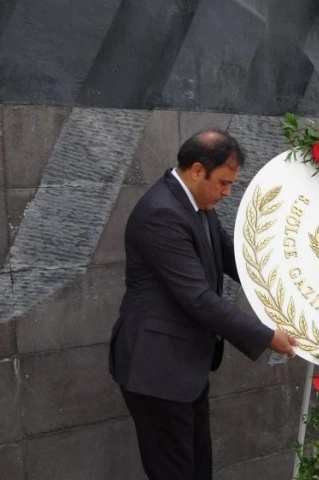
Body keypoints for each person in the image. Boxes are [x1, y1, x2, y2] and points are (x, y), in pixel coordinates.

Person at [109, 129, 297, 480]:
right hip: (157, 371)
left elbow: (234, 259)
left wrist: (285, 290)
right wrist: (266, 335)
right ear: (197, 170)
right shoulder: (161, 215)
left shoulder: (199, 204)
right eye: (224, 183)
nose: (227, 193)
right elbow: (198, 298)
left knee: (198, 470)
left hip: (185, 370)